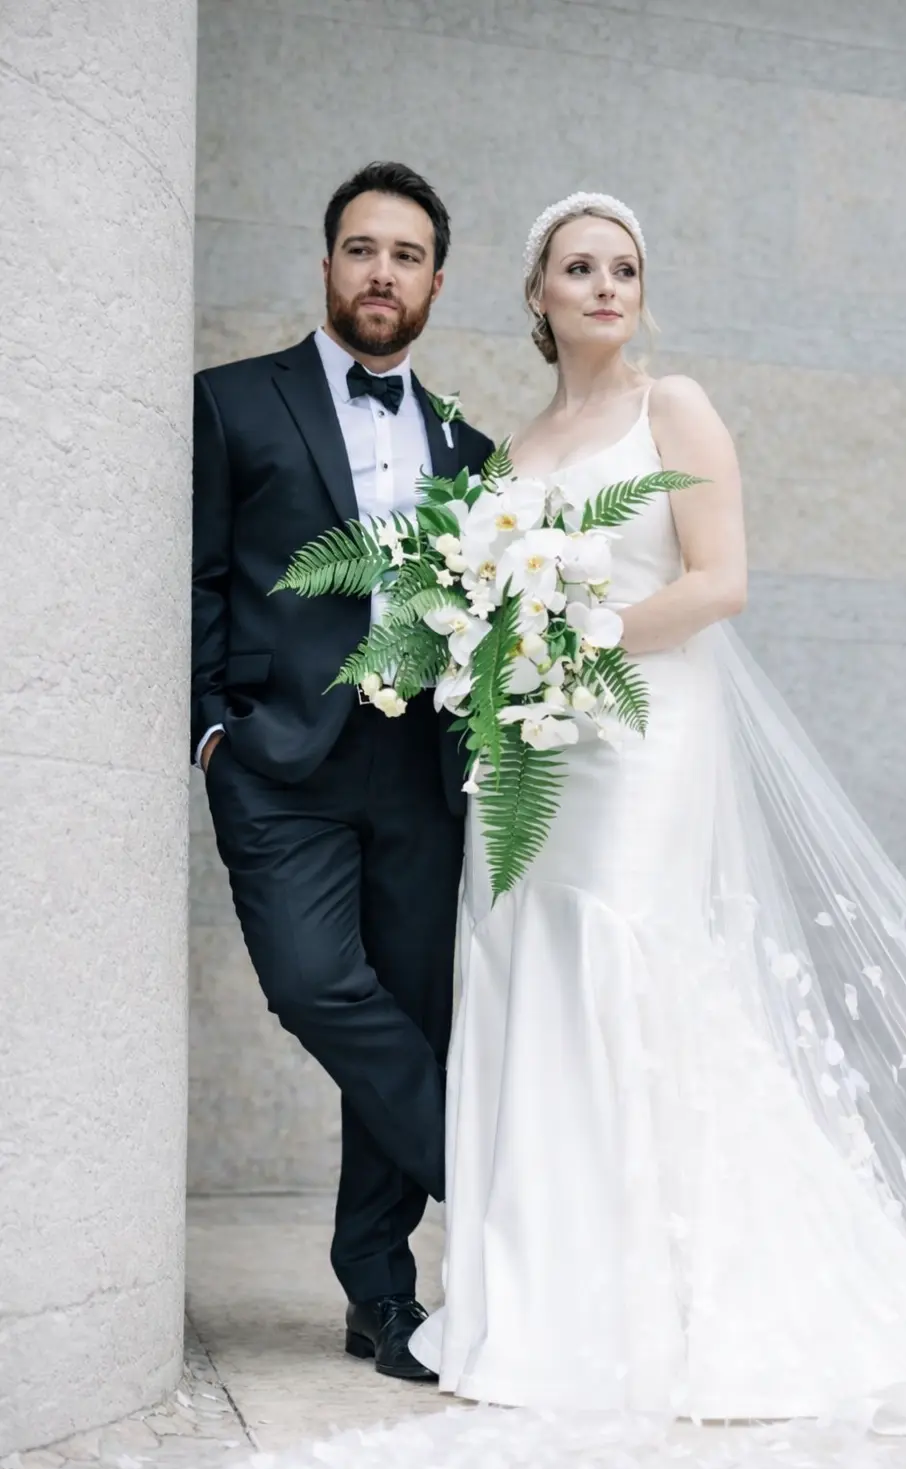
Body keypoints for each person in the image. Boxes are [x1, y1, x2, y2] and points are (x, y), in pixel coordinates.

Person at [408, 192, 906, 1430]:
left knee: (628, 958)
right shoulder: (512, 453)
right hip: (531, 755)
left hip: (643, 735)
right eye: (579, 268)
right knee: (532, 969)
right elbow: (480, 602)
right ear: (536, 294)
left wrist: (572, 636)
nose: (604, 286)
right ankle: (551, 1300)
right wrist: (499, 647)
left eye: (624, 269)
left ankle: (670, 1305)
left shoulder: (673, 407)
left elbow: (721, 582)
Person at [192, 161, 492, 1381]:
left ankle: (381, 1295)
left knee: (409, 1010)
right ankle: (484, 1168)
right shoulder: (232, 403)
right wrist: (210, 730)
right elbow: (195, 574)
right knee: (316, 983)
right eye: (363, 249)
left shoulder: (471, 447)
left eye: (406, 255)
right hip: (280, 761)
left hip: (421, 767)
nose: (382, 272)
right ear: (327, 266)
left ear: (434, 283)